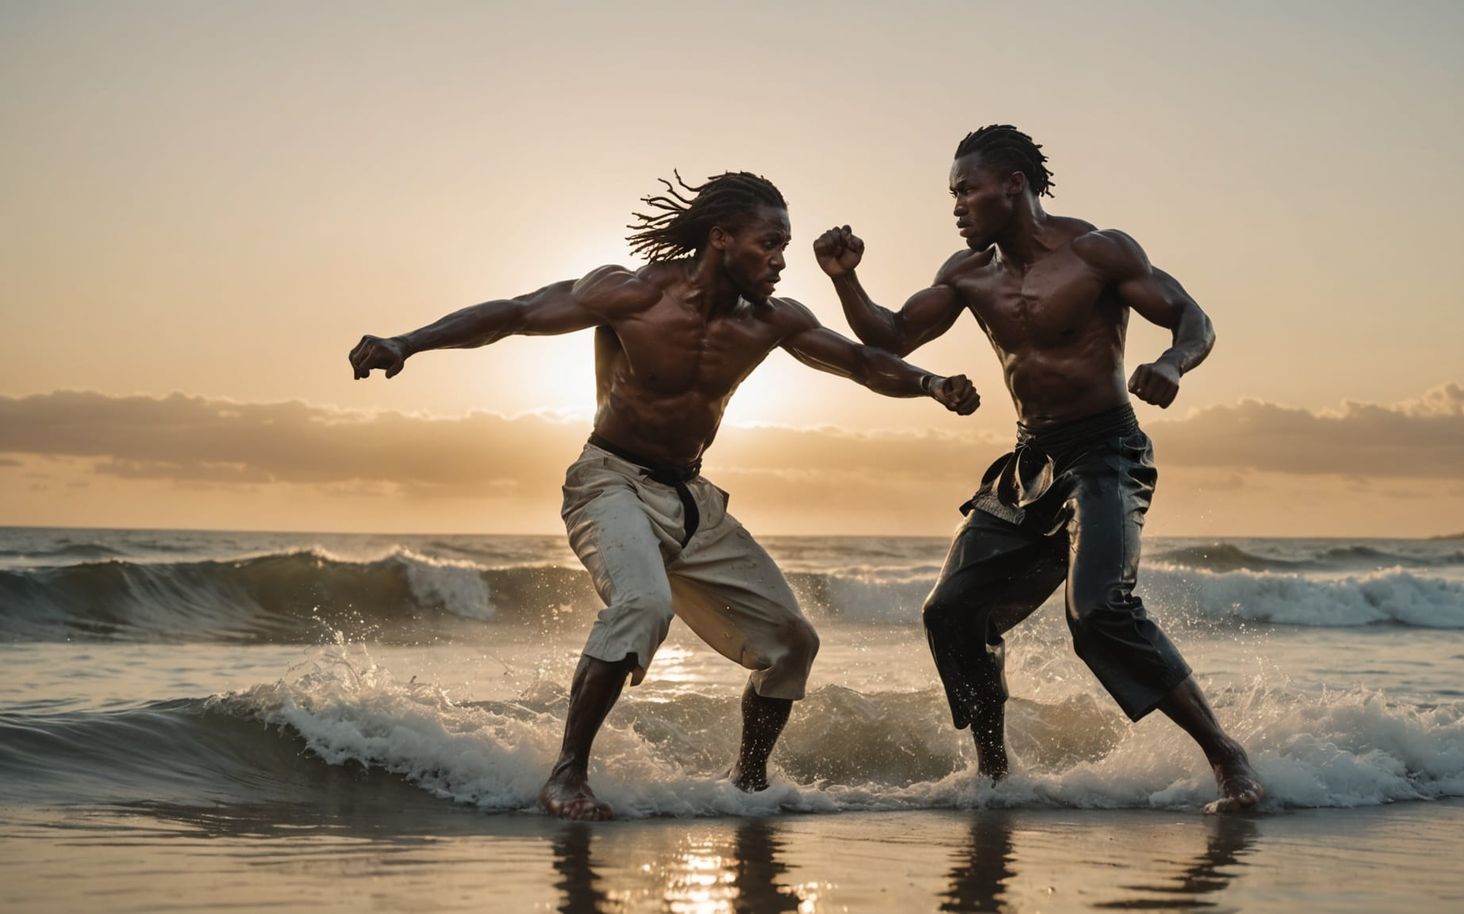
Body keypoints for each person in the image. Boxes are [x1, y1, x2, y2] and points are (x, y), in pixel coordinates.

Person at [350, 170, 980, 820]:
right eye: (769, 243)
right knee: (644, 605)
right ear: (720, 236)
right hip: (609, 482)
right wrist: (408, 343)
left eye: (784, 245)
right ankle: (567, 775)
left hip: (692, 501)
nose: (780, 261)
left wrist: (930, 383)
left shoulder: (771, 320)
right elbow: (514, 315)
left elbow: (858, 361)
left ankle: (749, 785)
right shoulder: (631, 293)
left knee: (793, 643)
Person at [813, 126, 1264, 812]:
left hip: (1108, 452)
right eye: (952, 195)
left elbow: (1190, 316)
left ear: (1013, 185)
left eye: (966, 190)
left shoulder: (1097, 251)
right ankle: (995, 772)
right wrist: (846, 279)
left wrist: (1173, 362)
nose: (956, 206)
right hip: (1029, 463)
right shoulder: (966, 274)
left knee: (1099, 612)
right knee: (951, 611)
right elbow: (893, 333)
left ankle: (1226, 756)